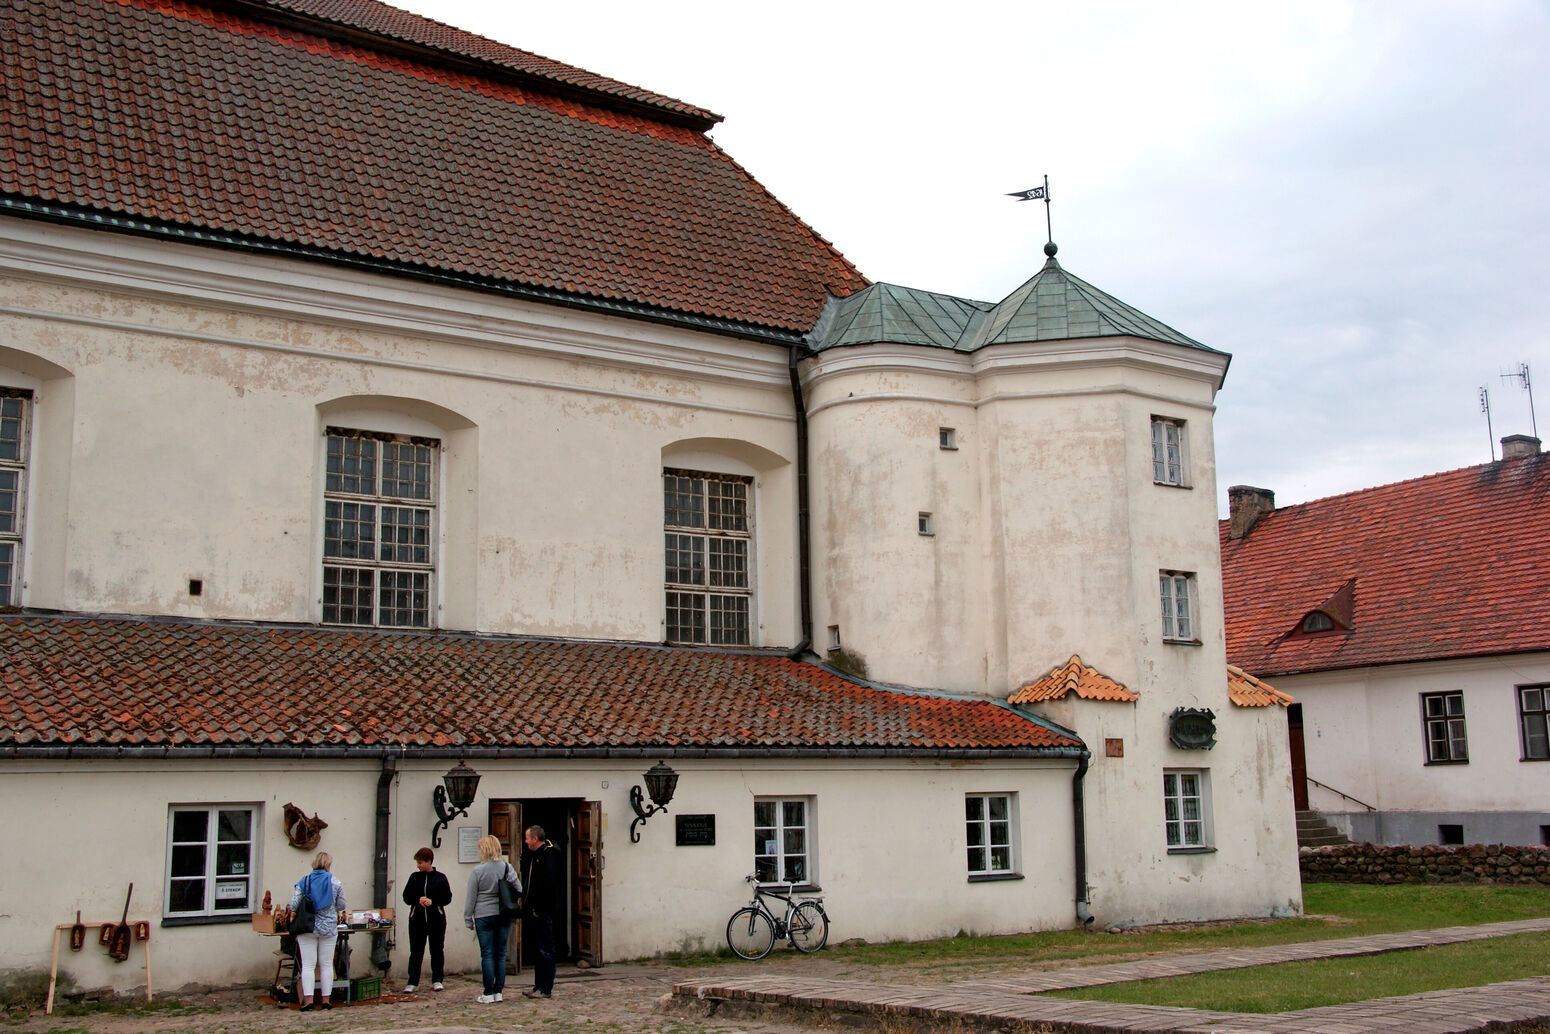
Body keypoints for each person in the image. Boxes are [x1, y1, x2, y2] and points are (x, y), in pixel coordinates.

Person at [464, 834, 521, 1003]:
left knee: (487, 954)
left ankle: (487, 992)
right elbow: (518, 888)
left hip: (483, 915)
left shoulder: (478, 871)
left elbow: (471, 898)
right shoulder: (506, 868)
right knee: (500, 954)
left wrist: (468, 918)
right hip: (502, 914)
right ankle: (498, 992)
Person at [288, 851, 346, 1011]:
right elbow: (341, 905)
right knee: (327, 964)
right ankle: (326, 1000)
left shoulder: (304, 881)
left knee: (308, 965)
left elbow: (293, 904)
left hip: (307, 926)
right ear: (328, 865)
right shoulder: (335, 882)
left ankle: (308, 1000)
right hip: (328, 927)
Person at [400, 846, 452, 993]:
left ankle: (437, 979)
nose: (418, 865)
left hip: (436, 919)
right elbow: (406, 897)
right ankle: (412, 981)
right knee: (416, 951)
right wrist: (418, 900)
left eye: (421, 862)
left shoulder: (440, 878)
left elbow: (447, 897)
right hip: (417, 919)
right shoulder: (414, 877)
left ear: (429, 862)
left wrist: (433, 902)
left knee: (436, 949)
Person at [520, 824, 559, 999]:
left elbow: (546, 885)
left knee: (546, 949)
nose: (525, 841)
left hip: (543, 910)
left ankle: (546, 987)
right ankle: (538, 985)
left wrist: (538, 907)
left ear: (535, 839)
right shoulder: (535, 855)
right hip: (535, 909)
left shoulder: (546, 855)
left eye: (527, 838)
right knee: (539, 949)